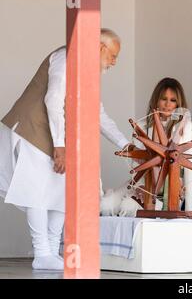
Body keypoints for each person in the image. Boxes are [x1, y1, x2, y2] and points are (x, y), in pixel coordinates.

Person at [0, 28, 133, 270]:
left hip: (54, 136)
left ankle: (50, 250)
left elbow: (98, 115)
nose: (114, 61)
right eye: (113, 55)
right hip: (33, 130)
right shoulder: (67, 57)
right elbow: (53, 100)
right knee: (37, 192)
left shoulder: (89, 74)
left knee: (64, 192)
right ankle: (42, 252)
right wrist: (60, 146)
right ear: (100, 48)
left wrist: (126, 145)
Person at [103, 77, 192, 217]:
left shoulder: (188, 128)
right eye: (163, 99)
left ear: (179, 104)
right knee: (105, 205)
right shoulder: (142, 127)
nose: (167, 104)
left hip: (169, 189)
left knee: (128, 207)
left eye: (173, 100)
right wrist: (142, 187)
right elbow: (135, 164)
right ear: (156, 100)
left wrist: (191, 214)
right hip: (140, 182)